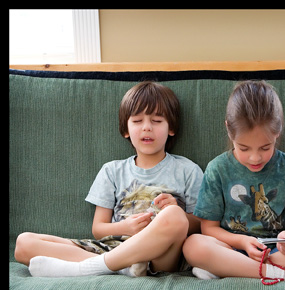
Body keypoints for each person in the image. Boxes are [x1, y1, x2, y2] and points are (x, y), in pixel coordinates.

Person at [15, 81, 203, 277]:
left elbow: (201, 224)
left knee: (174, 215)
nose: (147, 127)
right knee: (23, 243)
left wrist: (176, 208)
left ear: (171, 128)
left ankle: (93, 267)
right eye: (137, 121)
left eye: (156, 121)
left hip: (160, 255)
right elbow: (98, 229)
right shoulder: (112, 170)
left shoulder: (187, 170)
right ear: (126, 130)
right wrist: (126, 227)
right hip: (111, 247)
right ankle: (121, 266)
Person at [182, 80, 285, 283]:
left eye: (265, 148)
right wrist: (242, 240)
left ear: (278, 131)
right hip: (232, 249)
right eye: (244, 148)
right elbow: (208, 229)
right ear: (229, 132)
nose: (255, 158)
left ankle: (230, 270)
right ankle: (283, 273)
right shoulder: (217, 169)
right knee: (193, 245)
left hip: (277, 251)